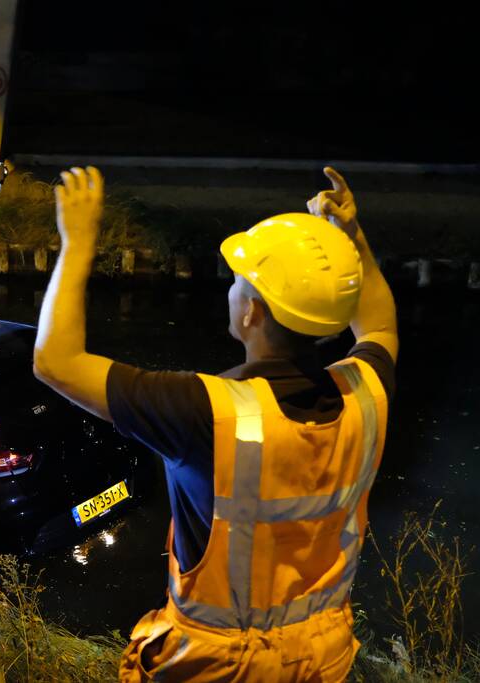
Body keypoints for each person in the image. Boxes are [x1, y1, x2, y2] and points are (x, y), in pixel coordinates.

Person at [33, 166, 397, 682]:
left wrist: (78, 243)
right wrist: (351, 240)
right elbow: (379, 323)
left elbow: (56, 362)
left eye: (237, 284)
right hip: (321, 656)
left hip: (220, 667)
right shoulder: (367, 392)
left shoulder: (205, 410)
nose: (232, 292)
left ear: (251, 313)